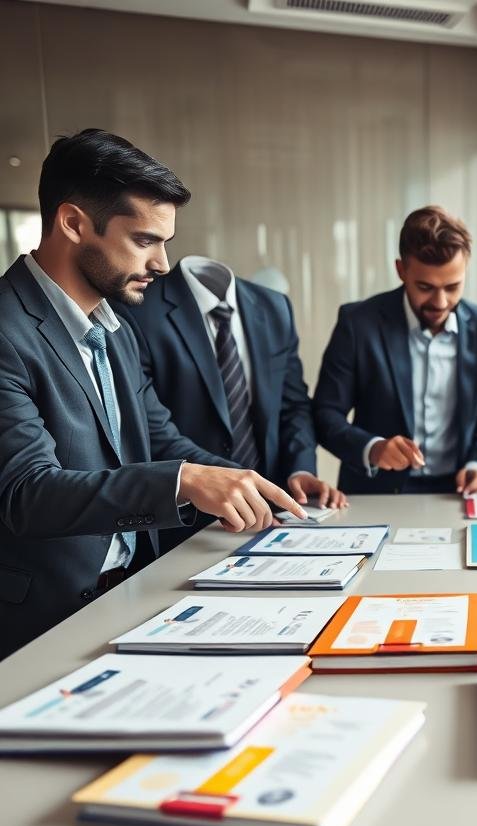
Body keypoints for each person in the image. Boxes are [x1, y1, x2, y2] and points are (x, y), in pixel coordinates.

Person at [0, 129, 305, 660]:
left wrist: (258, 488)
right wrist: (185, 481)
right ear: (73, 223)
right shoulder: (6, 329)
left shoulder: (114, 324)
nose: (164, 264)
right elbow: (29, 495)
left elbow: (161, 439)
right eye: (145, 240)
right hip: (44, 624)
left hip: (140, 595)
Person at [114, 255, 345, 551]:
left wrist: (300, 470)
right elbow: (150, 426)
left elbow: (293, 405)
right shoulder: (138, 308)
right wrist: (230, 483)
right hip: (184, 526)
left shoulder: (275, 307)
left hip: (271, 519)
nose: (160, 260)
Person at [313, 206, 477, 496]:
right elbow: (325, 414)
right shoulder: (358, 324)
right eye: (425, 287)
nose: (440, 302)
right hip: (376, 494)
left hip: (455, 493)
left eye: (453, 287)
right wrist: (373, 448)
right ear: (401, 270)